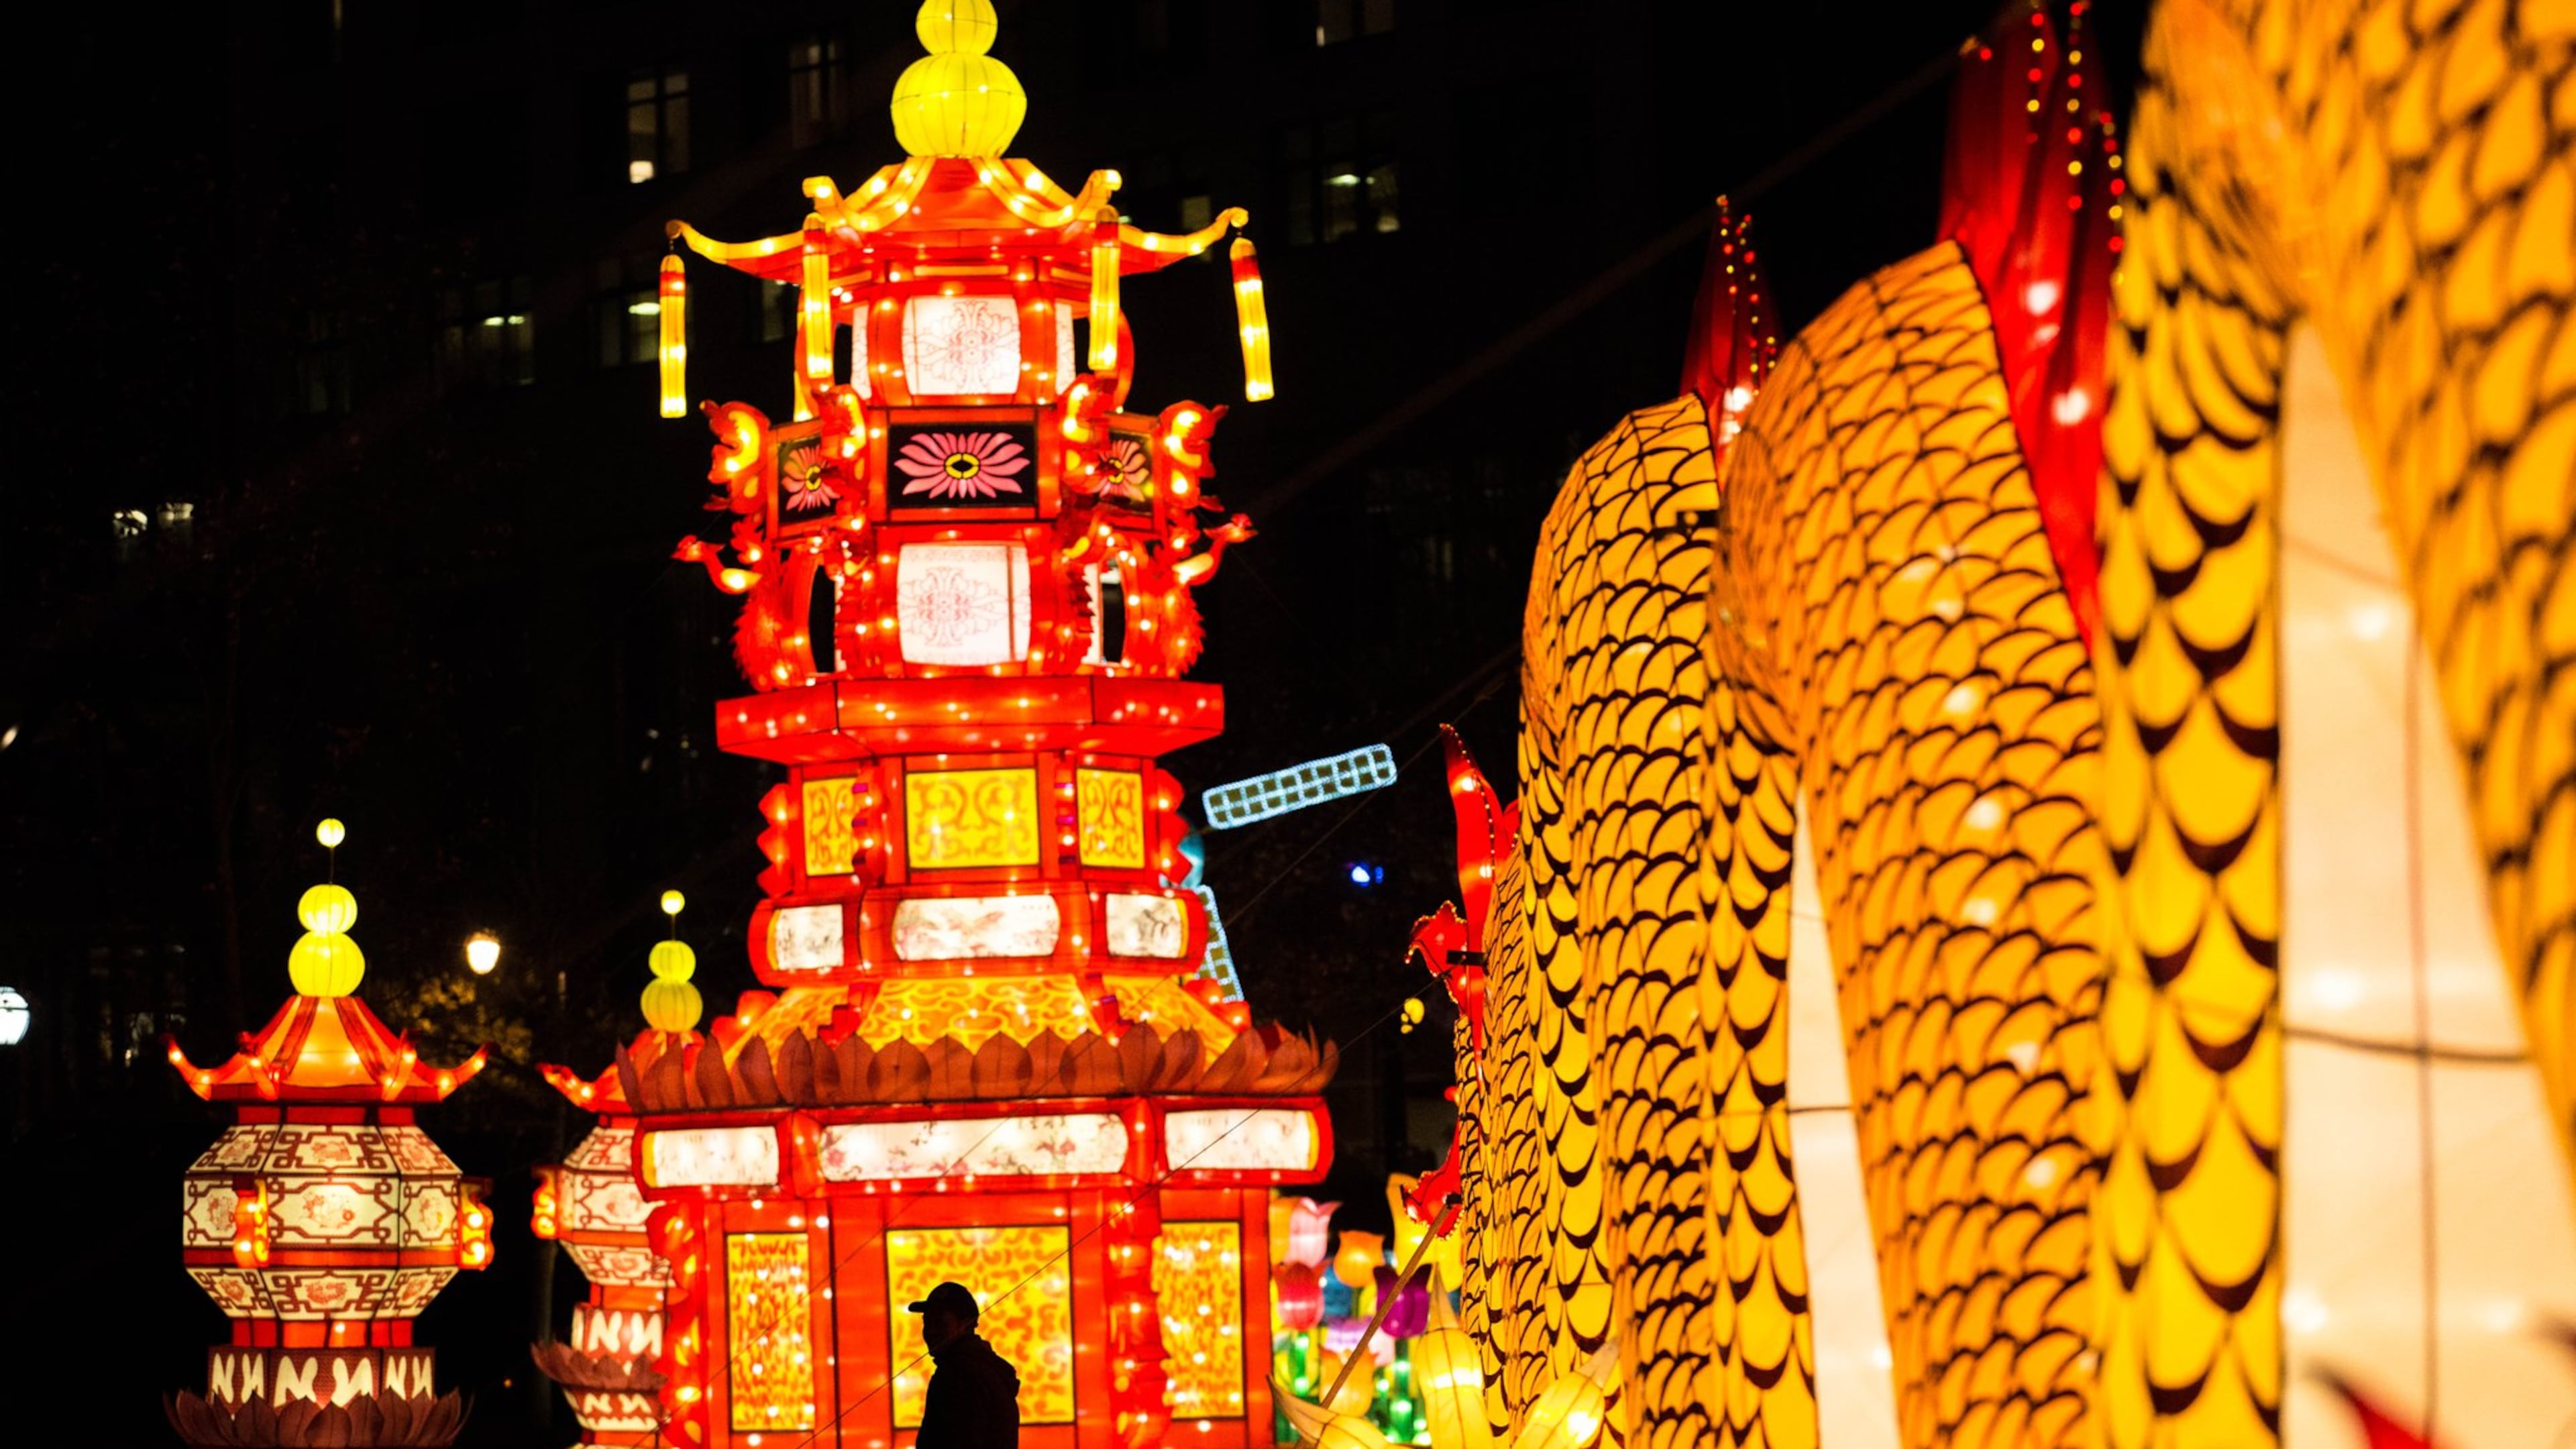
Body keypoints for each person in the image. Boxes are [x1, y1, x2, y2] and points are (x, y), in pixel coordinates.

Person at [909, 1279, 1022, 1449]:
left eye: (939, 1322)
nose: (930, 1330)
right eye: (927, 1322)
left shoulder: (957, 1376)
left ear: (965, 1324)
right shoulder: (987, 1369)